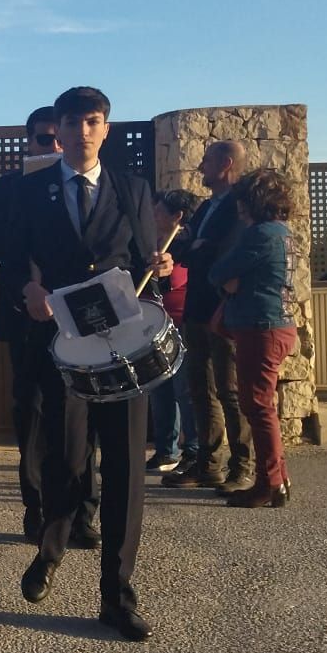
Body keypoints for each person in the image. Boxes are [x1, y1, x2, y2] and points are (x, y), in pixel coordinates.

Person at [9, 87, 172, 641]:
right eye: (74, 122)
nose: (83, 131)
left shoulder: (132, 189)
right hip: (64, 349)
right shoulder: (31, 193)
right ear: (58, 129)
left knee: (126, 471)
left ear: (105, 129)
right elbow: (12, 262)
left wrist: (166, 266)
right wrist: (27, 290)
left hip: (122, 351)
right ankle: (51, 548)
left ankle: (117, 595)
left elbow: (148, 267)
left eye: (93, 122)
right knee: (65, 458)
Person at [0, 106, 92, 545]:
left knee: (82, 415)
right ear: (28, 142)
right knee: (30, 412)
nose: (54, 145)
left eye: (57, 137)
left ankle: (82, 513)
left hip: (77, 318)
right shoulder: (8, 188)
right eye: (44, 139)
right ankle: (36, 509)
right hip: (26, 316)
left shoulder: (89, 185)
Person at [166, 140, 255, 495]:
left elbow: (225, 252)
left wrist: (200, 250)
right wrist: (197, 248)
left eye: (207, 160)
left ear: (227, 164)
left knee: (229, 389)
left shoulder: (240, 207)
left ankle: (242, 465)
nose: (201, 167)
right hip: (196, 306)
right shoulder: (205, 208)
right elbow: (185, 248)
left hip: (223, 308)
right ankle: (209, 462)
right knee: (199, 386)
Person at [212, 169, 299, 509]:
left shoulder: (260, 235)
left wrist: (230, 281)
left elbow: (218, 271)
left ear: (253, 201)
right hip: (274, 324)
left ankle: (269, 484)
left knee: (258, 406)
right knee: (262, 405)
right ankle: (278, 477)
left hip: (259, 326)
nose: (238, 207)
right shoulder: (282, 232)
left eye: (242, 200)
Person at [146, 190, 201, 474]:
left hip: (181, 323)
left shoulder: (187, 244)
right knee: (160, 388)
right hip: (157, 325)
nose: (154, 214)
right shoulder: (150, 243)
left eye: (160, 210)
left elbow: (179, 279)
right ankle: (167, 451)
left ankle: (193, 449)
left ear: (177, 216)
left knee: (184, 389)